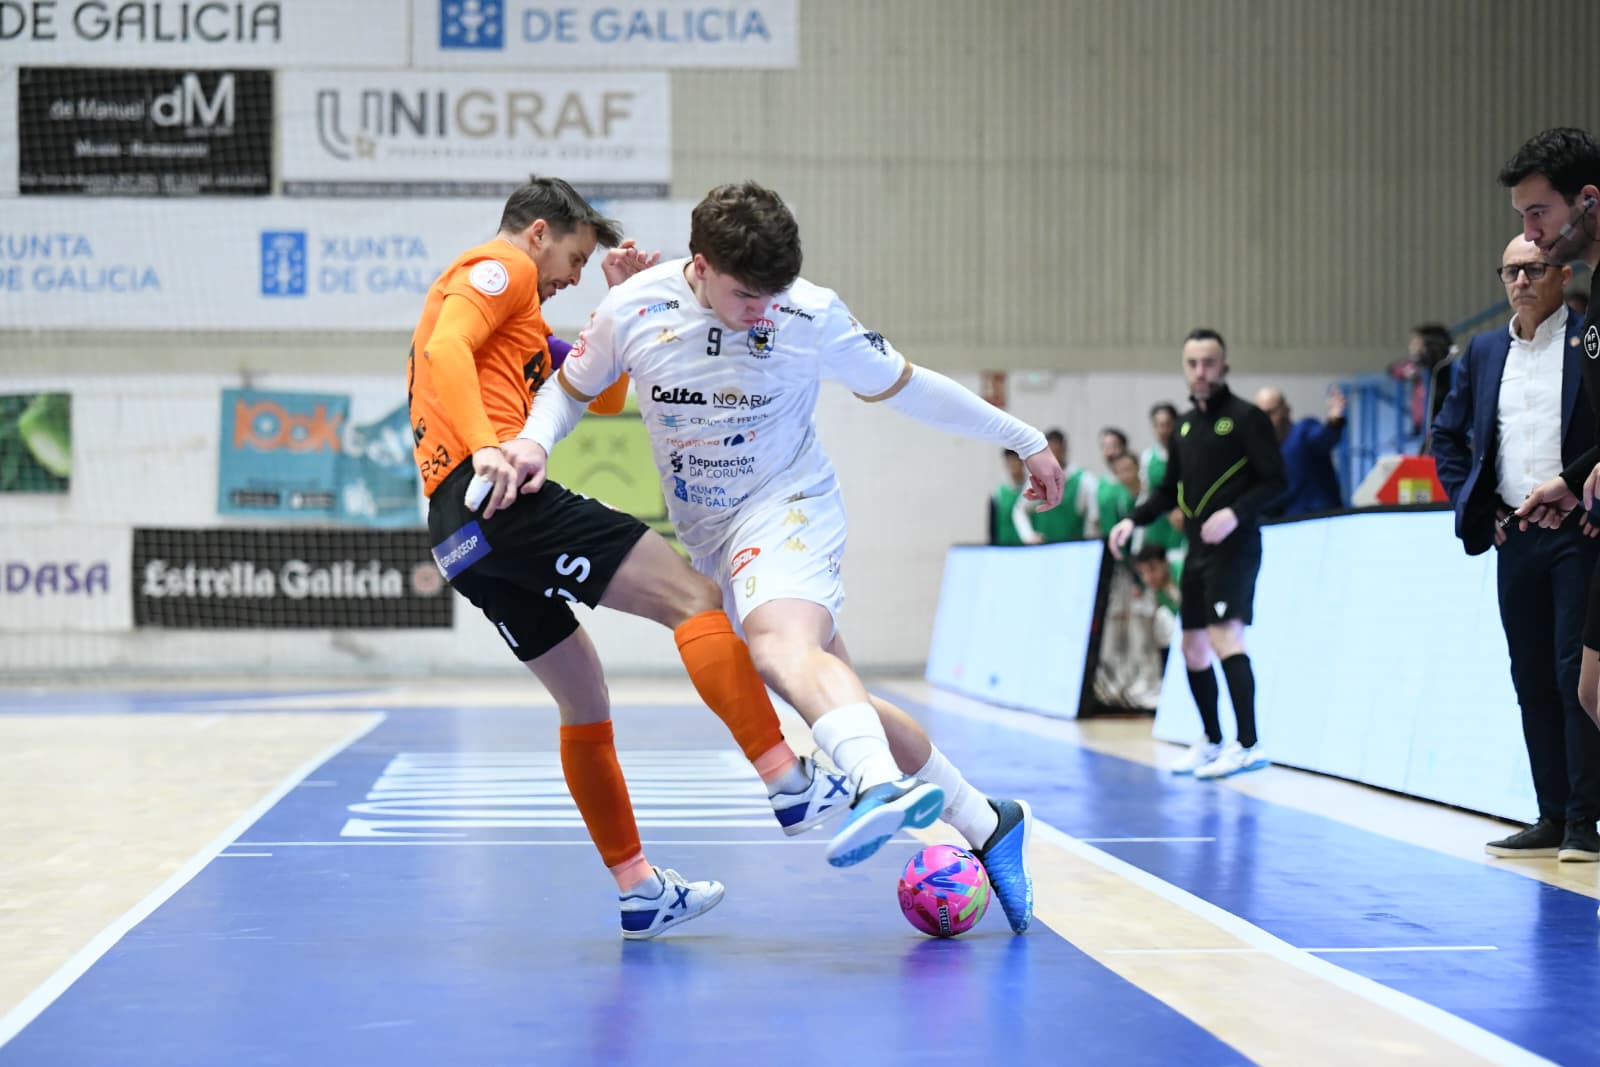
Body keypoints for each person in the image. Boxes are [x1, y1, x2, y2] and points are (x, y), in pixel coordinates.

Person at [512, 181, 1067, 933]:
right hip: (709, 533)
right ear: (700, 266)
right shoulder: (633, 307)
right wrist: (532, 443)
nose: (763, 311)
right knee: (833, 694)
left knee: (779, 647)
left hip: (790, 504)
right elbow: (570, 392)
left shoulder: (810, 311)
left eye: (773, 293)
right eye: (747, 295)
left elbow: (910, 388)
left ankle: (875, 783)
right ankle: (987, 817)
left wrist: (1022, 436)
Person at [408, 176, 851, 940]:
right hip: (500, 493)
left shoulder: (518, 335)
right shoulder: (501, 268)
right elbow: (446, 345)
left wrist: (610, 307)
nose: (571, 275)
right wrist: (489, 450)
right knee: (695, 597)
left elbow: (604, 398)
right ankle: (787, 778)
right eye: (575, 257)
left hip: (458, 536)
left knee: (584, 698)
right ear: (539, 232)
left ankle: (638, 887)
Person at [1432, 233, 1600, 863]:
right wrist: (1475, 505)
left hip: (1575, 536)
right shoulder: (1480, 352)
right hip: (1514, 537)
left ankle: (1586, 820)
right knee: (1529, 676)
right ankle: (1551, 814)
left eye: (1534, 269)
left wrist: (1594, 500)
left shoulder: (1588, 340)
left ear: (1561, 275)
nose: (1522, 282)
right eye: (1511, 271)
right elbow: (1447, 436)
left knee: (1571, 677)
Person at [1107, 329, 1286, 779]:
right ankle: (1211, 740)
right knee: (1192, 647)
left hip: (1237, 546)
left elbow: (1276, 481)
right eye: (1192, 363)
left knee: (1227, 638)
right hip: (1198, 551)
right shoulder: (1185, 427)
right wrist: (1136, 518)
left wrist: (1235, 513)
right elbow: (1169, 489)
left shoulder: (1248, 419)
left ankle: (1249, 743)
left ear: (1223, 366)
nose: (1200, 371)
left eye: (1209, 362)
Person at [1253, 385, 1346, 517]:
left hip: (1320, 521)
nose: (1264, 420)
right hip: (1284, 526)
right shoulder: (1262, 451)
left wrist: (1334, 421)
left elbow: (1323, 439)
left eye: (1270, 413)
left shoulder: (1304, 431)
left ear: (1285, 410)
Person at [1015, 428, 1098, 542]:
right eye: (1049, 452)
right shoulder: (1037, 478)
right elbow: (1019, 510)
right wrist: (1029, 536)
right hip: (1043, 549)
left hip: (1073, 548)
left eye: (1056, 451)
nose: (1052, 457)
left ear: (1064, 450)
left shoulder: (1084, 480)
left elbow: (1094, 518)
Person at [990, 449, 1027, 546]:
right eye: (1009, 461)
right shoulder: (998, 494)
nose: (1013, 465)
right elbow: (992, 528)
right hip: (1005, 549)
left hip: (1028, 549)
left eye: (1015, 460)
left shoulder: (1033, 490)